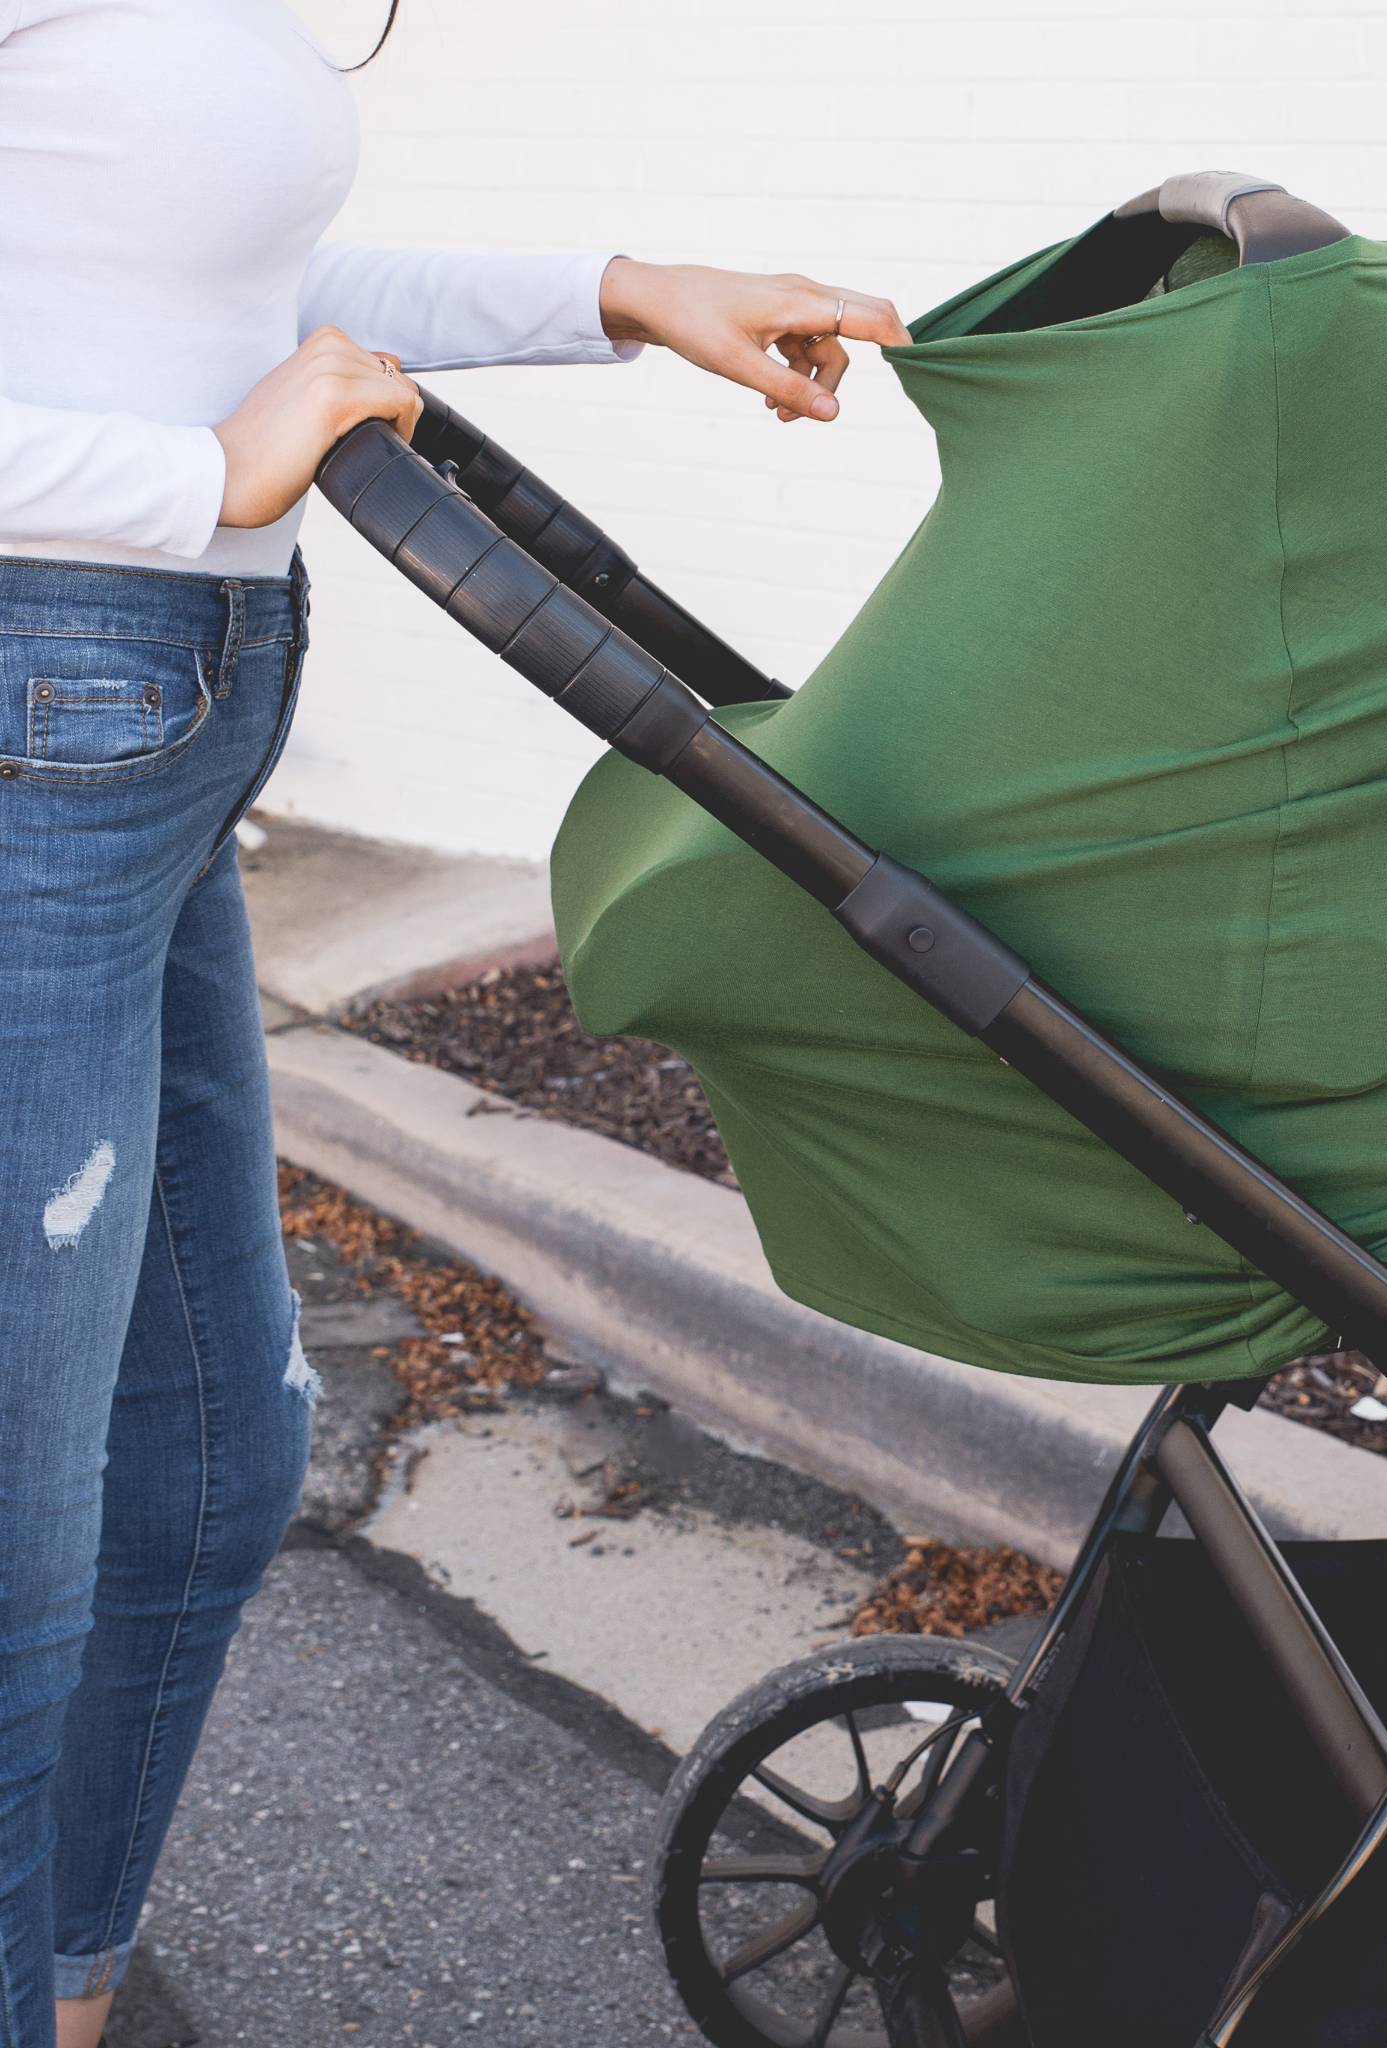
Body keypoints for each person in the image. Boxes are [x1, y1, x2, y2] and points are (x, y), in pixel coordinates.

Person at [0, 4, 909, 2042]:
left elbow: (207, 272)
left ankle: (64, 1993)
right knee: (13, 1566)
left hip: (149, 738)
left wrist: (617, 291)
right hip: (42, 728)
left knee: (216, 1459)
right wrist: (189, 476)